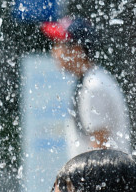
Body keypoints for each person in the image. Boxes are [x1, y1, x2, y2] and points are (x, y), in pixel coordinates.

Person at [41, 17, 131, 158]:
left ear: (77, 50)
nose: (54, 51)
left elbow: (100, 152)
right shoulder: (90, 80)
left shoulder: (94, 88)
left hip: (103, 171)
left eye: (59, 45)